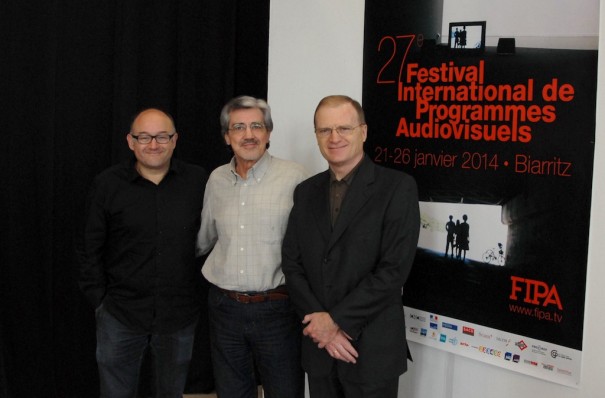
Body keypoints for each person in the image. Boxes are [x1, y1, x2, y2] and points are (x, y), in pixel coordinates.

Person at [282, 95, 420, 398]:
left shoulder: (398, 188)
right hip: (319, 349)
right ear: (316, 136)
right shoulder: (305, 192)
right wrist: (320, 324)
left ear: (364, 131)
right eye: (324, 130)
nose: (334, 138)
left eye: (344, 128)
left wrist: (335, 323)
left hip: (371, 352)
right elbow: (292, 263)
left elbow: (393, 270)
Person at [78, 108, 208, 398]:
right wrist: (99, 300)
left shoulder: (198, 181)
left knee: (170, 394)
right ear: (130, 141)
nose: (153, 144)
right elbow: (89, 247)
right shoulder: (108, 184)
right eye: (144, 137)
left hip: (179, 315)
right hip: (120, 314)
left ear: (175, 140)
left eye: (162, 136)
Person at [196, 96, 308, 398]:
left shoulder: (296, 177)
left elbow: (311, 247)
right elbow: (205, 239)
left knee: (285, 391)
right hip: (224, 308)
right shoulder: (216, 179)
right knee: (232, 392)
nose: (249, 135)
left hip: (278, 309)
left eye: (257, 126)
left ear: (269, 133)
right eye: (239, 127)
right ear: (226, 137)